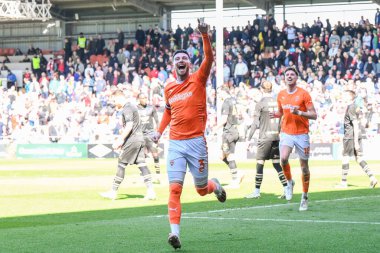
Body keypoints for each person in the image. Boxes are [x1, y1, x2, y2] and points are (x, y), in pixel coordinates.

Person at [151, 19, 226, 250]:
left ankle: (215, 186)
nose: (180, 61)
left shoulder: (199, 79)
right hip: (175, 144)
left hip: (196, 143)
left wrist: (204, 35)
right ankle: (174, 234)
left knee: (201, 190)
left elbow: (210, 59)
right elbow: (167, 111)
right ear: (173, 65)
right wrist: (159, 131)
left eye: (184, 59)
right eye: (177, 59)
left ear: (189, 65)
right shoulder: (168, 87)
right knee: (174, 189)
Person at [270, 67, 317, 211]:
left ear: (296, 78)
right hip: (286, 132)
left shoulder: (304, 94)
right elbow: (281, 111)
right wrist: (276, 115)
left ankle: (304, 196)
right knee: (283, 158)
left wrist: (300, 112)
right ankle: (289, 183)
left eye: (292, 74)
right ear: (284, 78)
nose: (289, 76)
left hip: (302, 134)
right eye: (287, 74)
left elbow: (314, 115)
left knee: (304, 168)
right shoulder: (281, 95)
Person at [100, 90, 156, 201]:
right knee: (142, 164)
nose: (115, 103)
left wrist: (120, 140)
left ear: (119, 97)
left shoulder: (127, 108)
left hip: (133, 140)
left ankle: (113, 192)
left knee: (121, 164)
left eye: (115, 100)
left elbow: (130, 125)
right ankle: (151, 192)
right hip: (139, 139)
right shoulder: (132, 106)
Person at [245, 81, 290, 199]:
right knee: (276, 164)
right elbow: (282, 120)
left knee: (260, 164)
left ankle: (256, 191)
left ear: (261, 89)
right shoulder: (278, 102)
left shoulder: (260, 104)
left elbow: (255, 123)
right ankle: (286, 189)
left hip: (264, 137)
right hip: (276, 137)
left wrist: (248, 139)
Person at [336, 90, 377, 188]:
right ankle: (372, 177)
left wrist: (355, 142)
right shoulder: (356, 107)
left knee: (345, 157)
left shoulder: (351, 107)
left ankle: (343, 182)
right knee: (359, 158)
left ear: (349, 97)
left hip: (350, 136)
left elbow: (355, 124)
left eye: (344, 95)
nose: (343, 97)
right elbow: (361, 121)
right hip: (357, 136)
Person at [218, 86, 244, 188]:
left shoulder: (226, 102)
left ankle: (235, 181)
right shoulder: (234, 101)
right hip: (234, 130)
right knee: (222, 156)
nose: (219, 95)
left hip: (228, 132)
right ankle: (238, 173)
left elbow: (224, 119)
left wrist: (215, 128)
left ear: (223, 92)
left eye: (219, 93)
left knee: (229, 156)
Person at [137, 92, 161, 183]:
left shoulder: (151, 108)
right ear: (139, 99)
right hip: (140, 135)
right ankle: (144, 175)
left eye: (146, 98)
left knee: (155, 155)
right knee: (141, 157)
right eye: (143, 98)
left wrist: (158, 134)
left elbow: (157, 121)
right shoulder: (136, 109)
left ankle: (158, 176)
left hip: (151, 134)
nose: (145, 100)